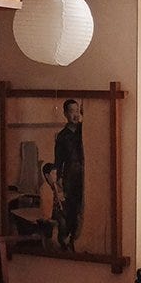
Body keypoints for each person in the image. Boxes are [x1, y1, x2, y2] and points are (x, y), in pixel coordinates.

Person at [53, 98, 85, 252]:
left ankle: (77, 239)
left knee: (81, 207)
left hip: (83, 173)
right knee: (70, 208)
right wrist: (59, 178)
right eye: (72, 111)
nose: (75, 115)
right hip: (70, 174)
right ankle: (68, 240)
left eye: (77, 111)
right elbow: (58, 160)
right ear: (65, 114)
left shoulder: (83, 131)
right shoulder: (62, 136)